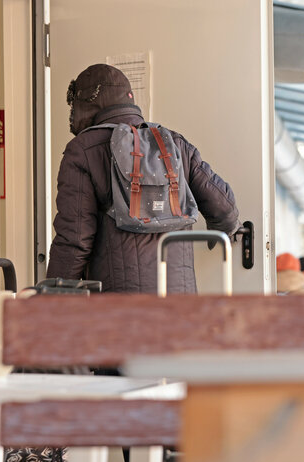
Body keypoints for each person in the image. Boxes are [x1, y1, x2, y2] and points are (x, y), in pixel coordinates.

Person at [46, 63, 241, 293]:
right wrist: (221, 230)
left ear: (83, 106)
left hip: (120, 312)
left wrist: (50, 298)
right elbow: (225, 208)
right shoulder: (173, 144)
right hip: (182, 306)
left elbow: (74, 240)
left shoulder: (83, 151)